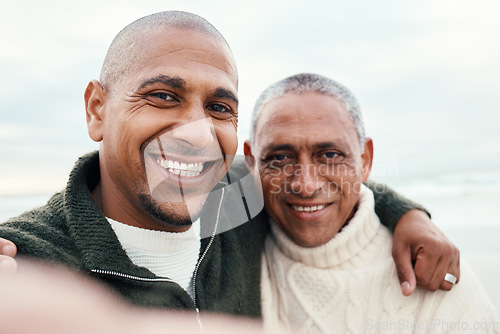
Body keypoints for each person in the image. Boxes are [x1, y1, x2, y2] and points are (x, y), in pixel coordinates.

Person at [0, 11, 457, 322]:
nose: (197, 133)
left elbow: (317, 180)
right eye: (163, 96)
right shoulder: (30, 262)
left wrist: (409, 215)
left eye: (219, 107)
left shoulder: (234, 200)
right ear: (97, 109)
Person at [243, 73, 498, 333]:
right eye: (280, 157)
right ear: (251, 162)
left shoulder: (438, 278)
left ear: (365, 160)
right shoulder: (227, 248)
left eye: (330, 155)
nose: (306, 185)